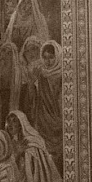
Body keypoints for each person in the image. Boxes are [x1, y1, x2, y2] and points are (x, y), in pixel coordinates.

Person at [34, 41, 63, 174]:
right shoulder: (41, 75)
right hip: (44, 119)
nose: (48, 61)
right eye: (45, 57)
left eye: (51, 57)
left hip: (59, 118)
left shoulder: (64, 74)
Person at [18, 36, 43, 122]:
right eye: (27, 51)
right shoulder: (23, 71)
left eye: (33, 49)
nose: (31, 53)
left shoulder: (46, 67)